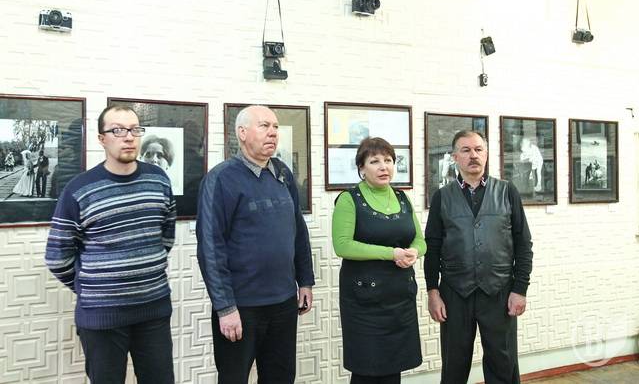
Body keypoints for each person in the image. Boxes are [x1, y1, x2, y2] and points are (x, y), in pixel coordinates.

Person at [45, 105, 176, 384]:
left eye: (134, 129)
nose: (128, 137)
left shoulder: (159, 180)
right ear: (101, 139)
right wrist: (92, 285)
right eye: (118, 130)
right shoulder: (79, 189)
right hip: (101, 316)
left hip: (153, 310)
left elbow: (165, 237)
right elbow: (57, 257)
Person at [196, 105, 314, 384]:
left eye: (275, 127)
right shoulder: (221, 178)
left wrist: (305, 281)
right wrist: (225, 307)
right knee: (234, 378)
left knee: (280, 377)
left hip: (283, 303)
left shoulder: (283, 173)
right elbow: (210, 248)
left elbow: (298, 230)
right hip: (241, 306)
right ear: (242, 132)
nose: (273, 132)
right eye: (264, 126)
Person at [424, 130, 533, 384]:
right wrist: (432, 291)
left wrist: (520, 289)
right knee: (454, 366)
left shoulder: (507, 191)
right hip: (454, 293)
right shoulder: (442, 196)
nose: (473, 155)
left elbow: (523, 244)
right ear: (455, 157)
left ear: (486, 154)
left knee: (503, 364)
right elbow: (433, 247)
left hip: (499, 291)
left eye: (478, 149)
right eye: (466, 150)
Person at [332, 137, 426, 384]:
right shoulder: (349, 199)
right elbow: (342, 245)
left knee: (393, 369)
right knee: (367, 370)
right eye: (375, 161)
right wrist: (392, 253)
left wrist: (414, 252)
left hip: (400, 299)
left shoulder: (402, 198)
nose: (384, 166)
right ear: (361, 168)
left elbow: (420, 240)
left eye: (388, 160)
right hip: (364, 302)